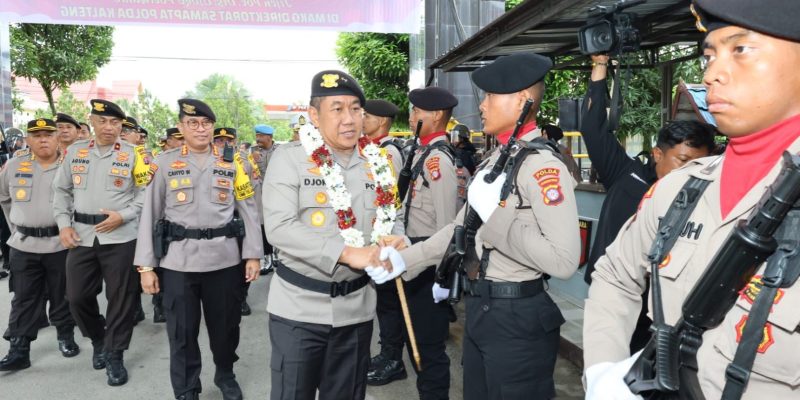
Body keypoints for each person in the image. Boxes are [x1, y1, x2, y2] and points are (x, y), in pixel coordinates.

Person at [583, 1, 800, 399]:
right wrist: (603, 370)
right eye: (709, 55)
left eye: (741, 49)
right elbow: (615, 275)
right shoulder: (678, 189)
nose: (712, 73)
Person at [367, 52, 581, 400]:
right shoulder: (496, 160)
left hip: (519, 320)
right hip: (483, 310)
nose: (482, 106)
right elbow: (456, 228)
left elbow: (564, 260)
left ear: (522, 101)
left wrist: (495, 219)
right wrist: (405, 259)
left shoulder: (543, 167)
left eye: (490, 96)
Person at [262, 70, 401, 400]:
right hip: (299, 311)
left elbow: (394, 217)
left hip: (357, 310)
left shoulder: (378, 163)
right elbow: (279, 227)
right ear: (314, 115)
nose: (349, 119)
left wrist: (398, 240)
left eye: (356, 109)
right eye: (337, 109)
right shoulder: (289, 159)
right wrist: (347, 253)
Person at [580, 55, 717, 352]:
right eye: (682, 162)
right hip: (618, 298)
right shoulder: (624, 174)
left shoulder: (704, 195)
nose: (690, 173)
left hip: (664, 310)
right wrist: (601, 65)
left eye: (701, 165)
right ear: (657, 154)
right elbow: (592, 127)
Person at [134, 99, 262, 400]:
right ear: (181, 127)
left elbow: (248, 210)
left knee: (227, 328)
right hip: (178, 262)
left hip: (224, 260)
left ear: (212, 127)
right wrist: (146, 267)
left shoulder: (232, 162)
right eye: (193, 123)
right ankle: (187, 388)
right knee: (181, 333)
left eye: (206, 123)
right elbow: (150, 215)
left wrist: (253, 254)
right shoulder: (163, 164)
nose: (200, 129)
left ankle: (225, 373)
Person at [367, 88, 460, 398]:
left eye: (418, 110)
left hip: (427, 270)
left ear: (435, 115)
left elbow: (449, 228)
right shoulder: (420, 154)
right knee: (415, 345)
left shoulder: (438, 162)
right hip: (411, 264)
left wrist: (442, 276)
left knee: (429, 354)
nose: (411, 115)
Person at [52, 99, 148, 387]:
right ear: (90, 122)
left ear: (122, 125)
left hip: (120, 236)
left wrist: (124, 214)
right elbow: (61, 190)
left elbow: (146, 194)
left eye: (116, 123)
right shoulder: (75, 152)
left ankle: (115, 354)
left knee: (121, 297)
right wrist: (63, 224)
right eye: (103, 121)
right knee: (77, 296)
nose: (109, 127)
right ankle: (98, 339)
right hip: (82, 235)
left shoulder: (134, 154)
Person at [0, 118, 79, 371]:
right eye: (37, 135)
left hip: (60, 244)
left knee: (62, 294)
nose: (43, 139)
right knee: (23, 298)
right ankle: (19, 350)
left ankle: (65, 337)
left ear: (58, 137)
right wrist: (18, 227)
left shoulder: (72, 166)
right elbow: (4, 199)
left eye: (48, 134)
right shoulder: (13, 166)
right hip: (23, 245)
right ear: (28, 140)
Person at [212, 126, 263, 316]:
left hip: (240, 216)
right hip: (219, 219)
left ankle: (241, 297)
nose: (224, 144)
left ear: (234, 141)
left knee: (243, 260)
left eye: (229, 141)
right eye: (219, 140)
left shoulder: (245, 160)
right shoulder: (209, 160)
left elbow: (254, 188)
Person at [251, 124, 278, 275]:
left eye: (261, 136)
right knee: (262, 226)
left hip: (279, 193)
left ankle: (278, 254)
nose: (258, 139)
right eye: (257, 136)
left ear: (269, 137)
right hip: (261, 194)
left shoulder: (280, 150)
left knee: (280, 222)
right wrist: (252, 161)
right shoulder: (253, 151)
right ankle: (267, 258)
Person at [363, 99, 404, 175]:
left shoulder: (388, 152)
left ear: (382, 121)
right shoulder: (369, 146)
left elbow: (390, 186)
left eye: (366, 116)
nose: (361, 120)